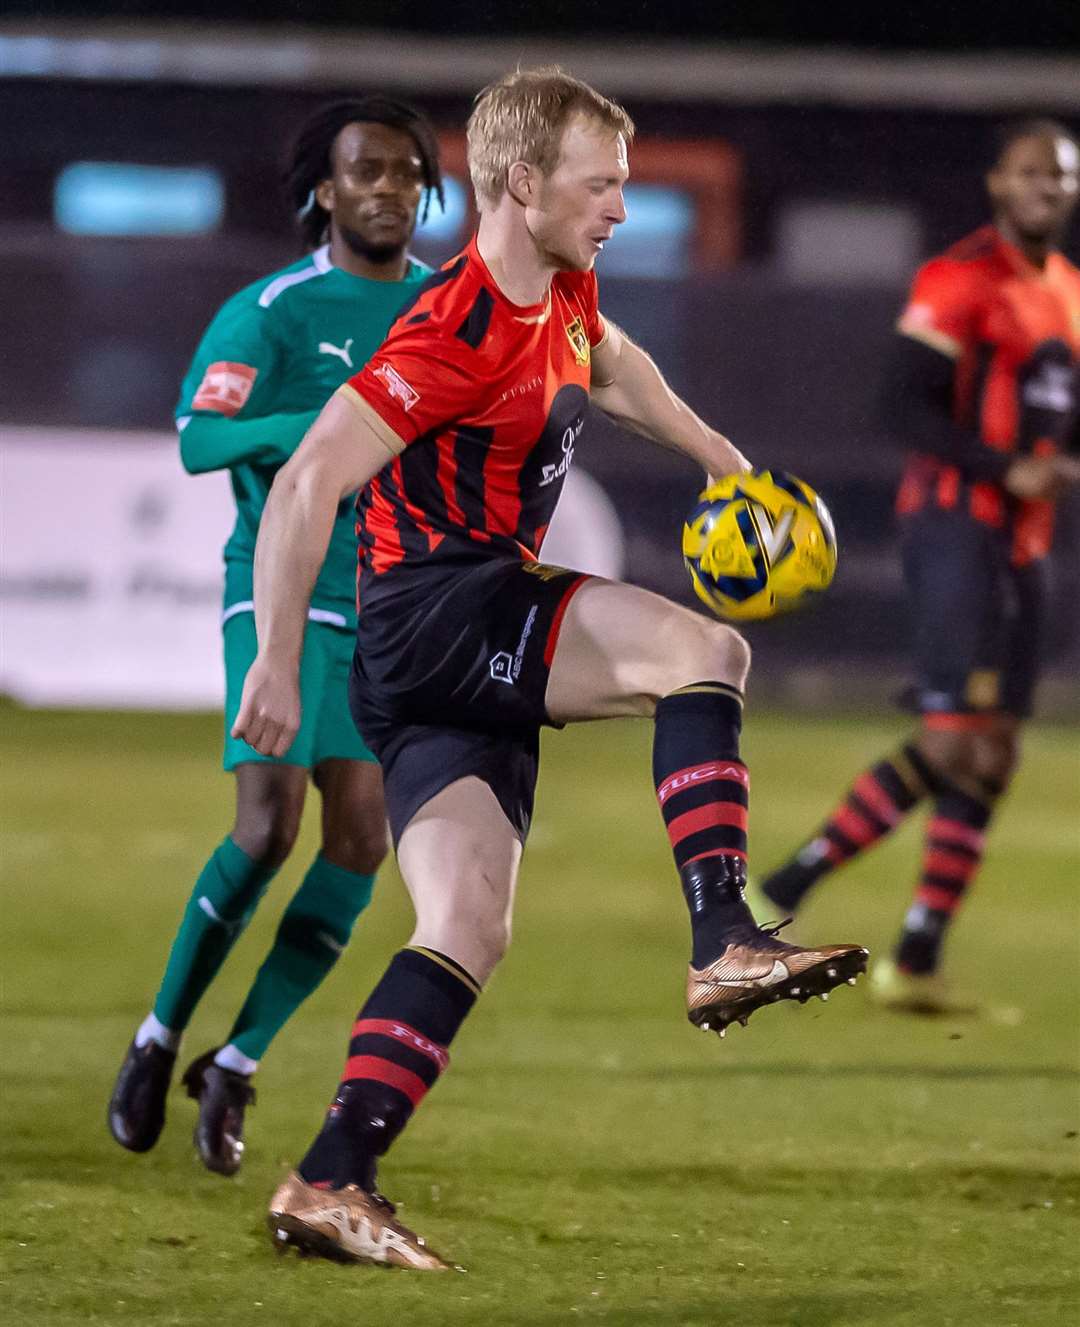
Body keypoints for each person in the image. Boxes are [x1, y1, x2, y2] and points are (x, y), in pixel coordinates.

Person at [234, 67, 868, 1269]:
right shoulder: (450, 331)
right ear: (520, 185)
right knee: (703, 650)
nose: (622, 207)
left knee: (466, 924)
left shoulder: (564, 291)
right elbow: (313, 478)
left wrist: (717, 454)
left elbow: (613, 359)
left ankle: (329, 1178)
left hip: (440, 647)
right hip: (441, 610)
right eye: (603, 184)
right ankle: (723, 934)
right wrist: (272, 657)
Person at [108, 97, 444, 1175]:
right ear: (324, 191)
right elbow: (202, 438)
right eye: (365, 172)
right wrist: (320, 426)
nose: (387, 188)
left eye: (405, 172)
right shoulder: (275, 310)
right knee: (268, 821)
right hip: (283, 595)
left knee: (360, 841)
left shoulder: (449, 308)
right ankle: (158, 1036)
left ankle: (238, 1060)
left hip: (396, 604)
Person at [759, 120, 1080, 1015]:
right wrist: (1002, 467)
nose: (1047, 186)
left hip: (1027, 544)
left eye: (1061, 174)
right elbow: (900, 403)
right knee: (951, 741)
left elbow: (1058, 419)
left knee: (996, 749)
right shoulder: (959, 277)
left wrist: (1050, 468)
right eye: (1031, 172)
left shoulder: (1070, 291)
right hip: (956, 529)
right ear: (998, 185)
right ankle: (777, 892)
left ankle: (914, 958)